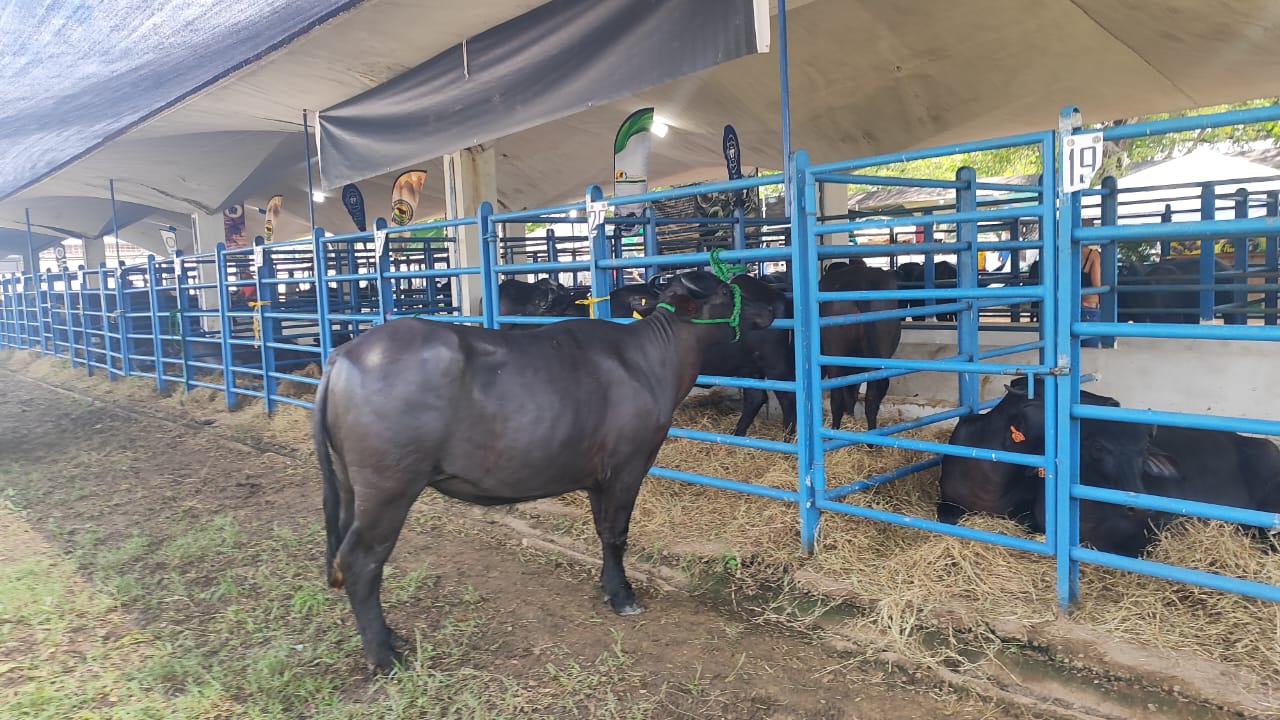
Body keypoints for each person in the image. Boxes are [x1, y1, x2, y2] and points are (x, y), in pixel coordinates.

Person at [1079, 245, 1102, 348]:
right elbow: (1096, 285)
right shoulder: (1093, 255)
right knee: (1090, 353)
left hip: (1068, 307)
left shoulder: (1062, 253)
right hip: (1089, 307)